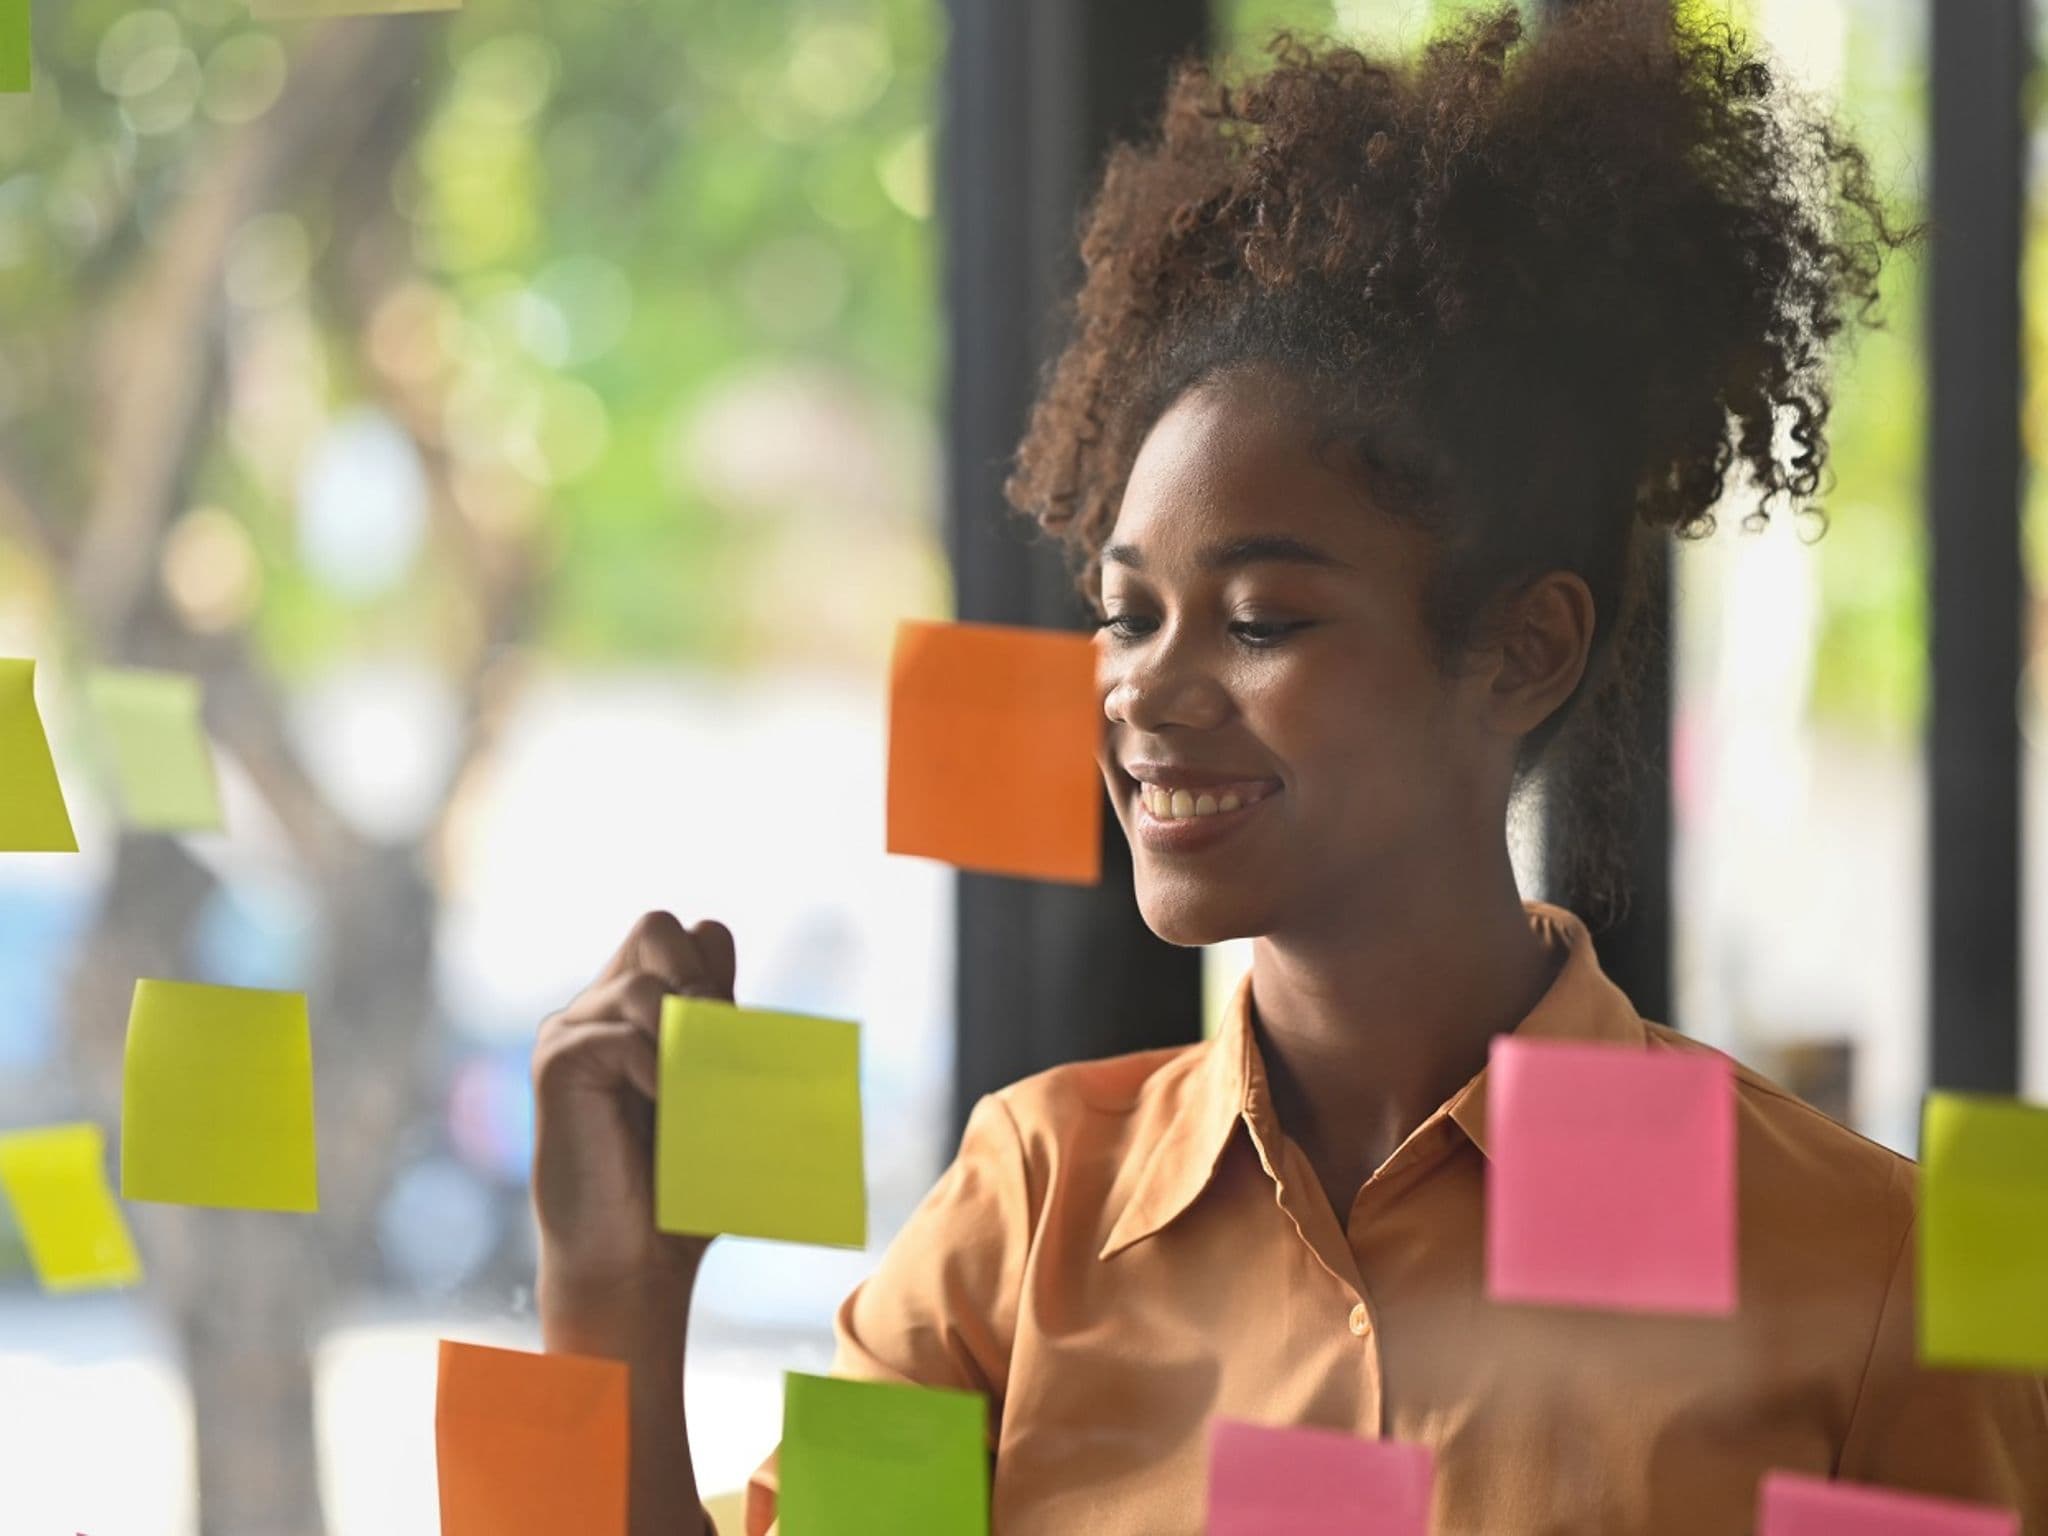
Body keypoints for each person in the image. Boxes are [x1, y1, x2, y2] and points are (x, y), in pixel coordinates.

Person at [529, 3, 2048, 1532]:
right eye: (1129, 613)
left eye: (1261, 620)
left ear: (1520, 652)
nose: (1144, 692)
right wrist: (611, 1304)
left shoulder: (1854, 1268)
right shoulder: (1031, 1216)